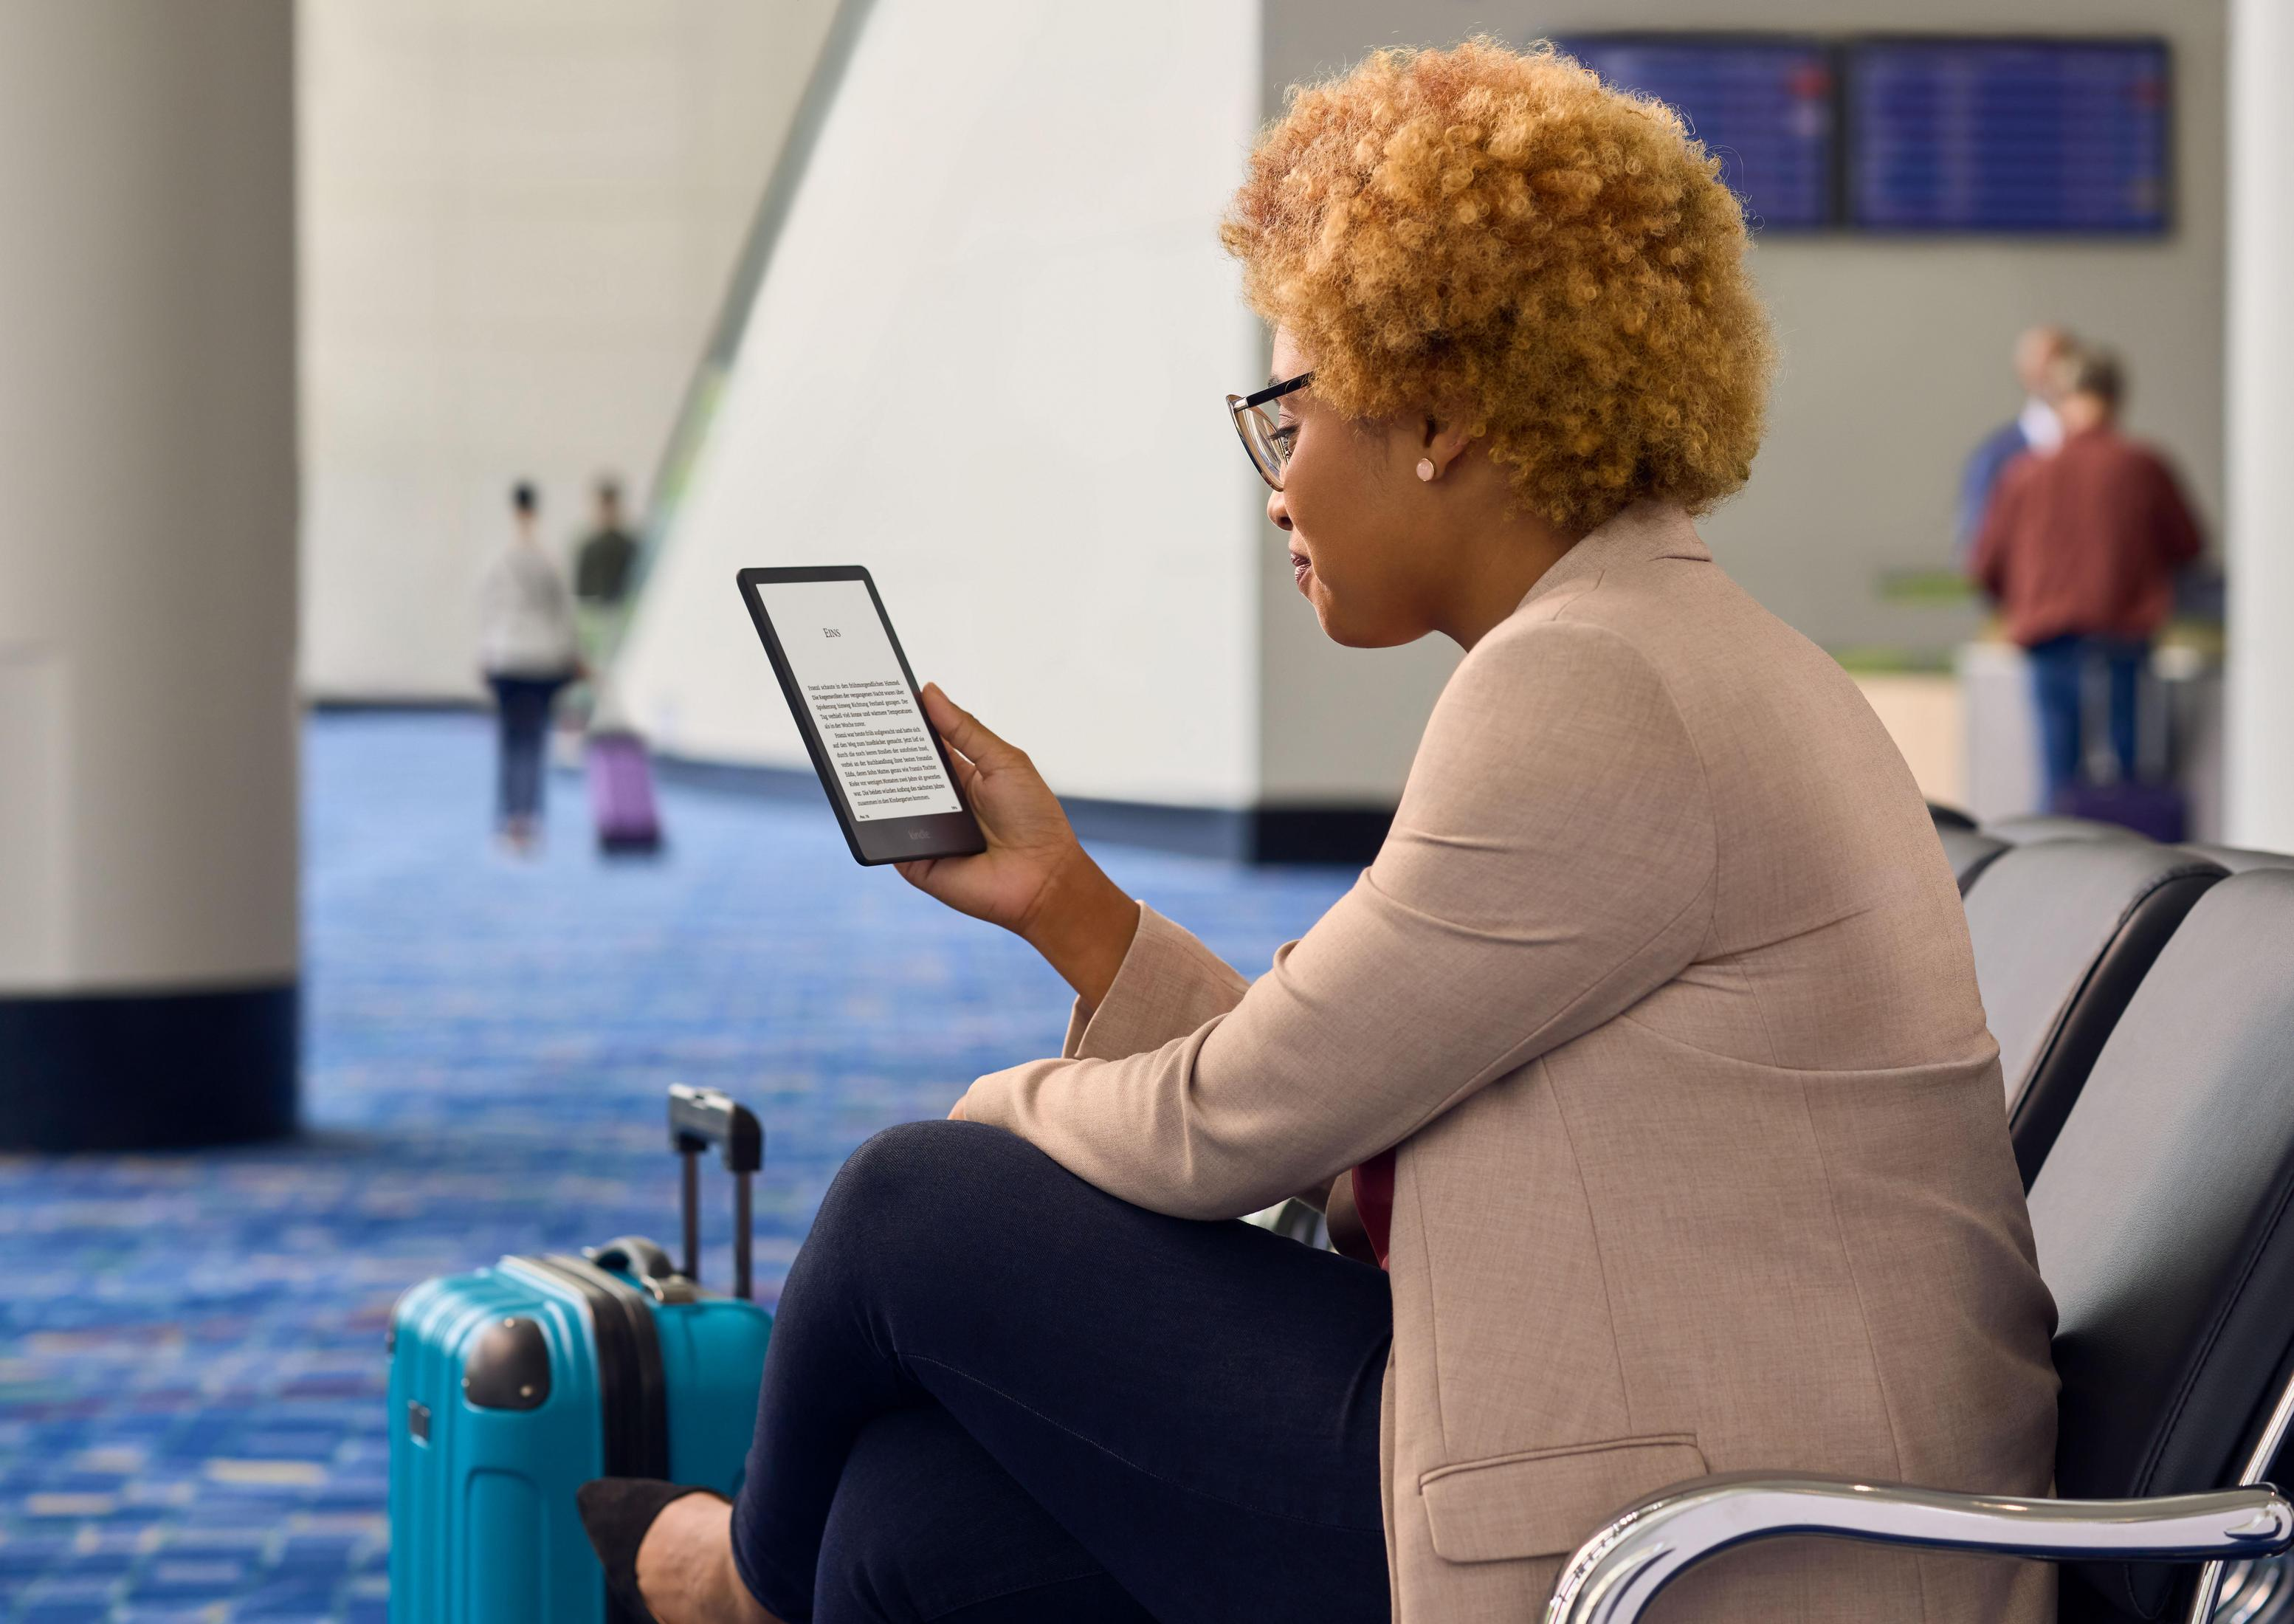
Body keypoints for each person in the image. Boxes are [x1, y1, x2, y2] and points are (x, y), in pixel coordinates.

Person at [576, 42, 2057, 1624]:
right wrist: (1070, 905)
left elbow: (1236, 1129)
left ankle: (733, 1580)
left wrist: (1003, 1111)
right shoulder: (1652, 643)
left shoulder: (1592, 687)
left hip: (1722, 1541)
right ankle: (774, 1572)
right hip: (1706, 1459)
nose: (1278, 485)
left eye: (1290, 413)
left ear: (1440, 412)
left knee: (909, 1207)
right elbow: (1335, 1078)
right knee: (903, 1525)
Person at [1972, 350, 2204, 807]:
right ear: (2117, 399)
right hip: (2124, 634)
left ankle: (2060, 864)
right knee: (2130, 778)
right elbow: (2188, 545)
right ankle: (2140, 872)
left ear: (2060, 403)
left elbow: (1986, 563)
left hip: (2049, 635)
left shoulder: (2026, 474)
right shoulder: (2143, 466)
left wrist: (2022, 600)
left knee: (2058, 774)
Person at [478, 481, 581, 851]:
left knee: (510, 742)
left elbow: (489, 611)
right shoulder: (548, 559)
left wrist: (487, 655)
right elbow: (563, 613)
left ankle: (511, 820)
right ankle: (529, 821)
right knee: (534, 742)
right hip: (542, 661)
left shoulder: (500, 559)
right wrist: (570, 655)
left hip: (508, 659)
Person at [1956, 325, 2073, 560]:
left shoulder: (2105, 456)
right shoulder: (1997, 456)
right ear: (2023, 371)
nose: (2050, 371)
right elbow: (1978, 548)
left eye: (2060, 359)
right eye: (2042, 362)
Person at [574, 475, 641, 661]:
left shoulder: (628, 544)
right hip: (596, 618)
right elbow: (581, 593)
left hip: (622, 616)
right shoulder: (588, 546)